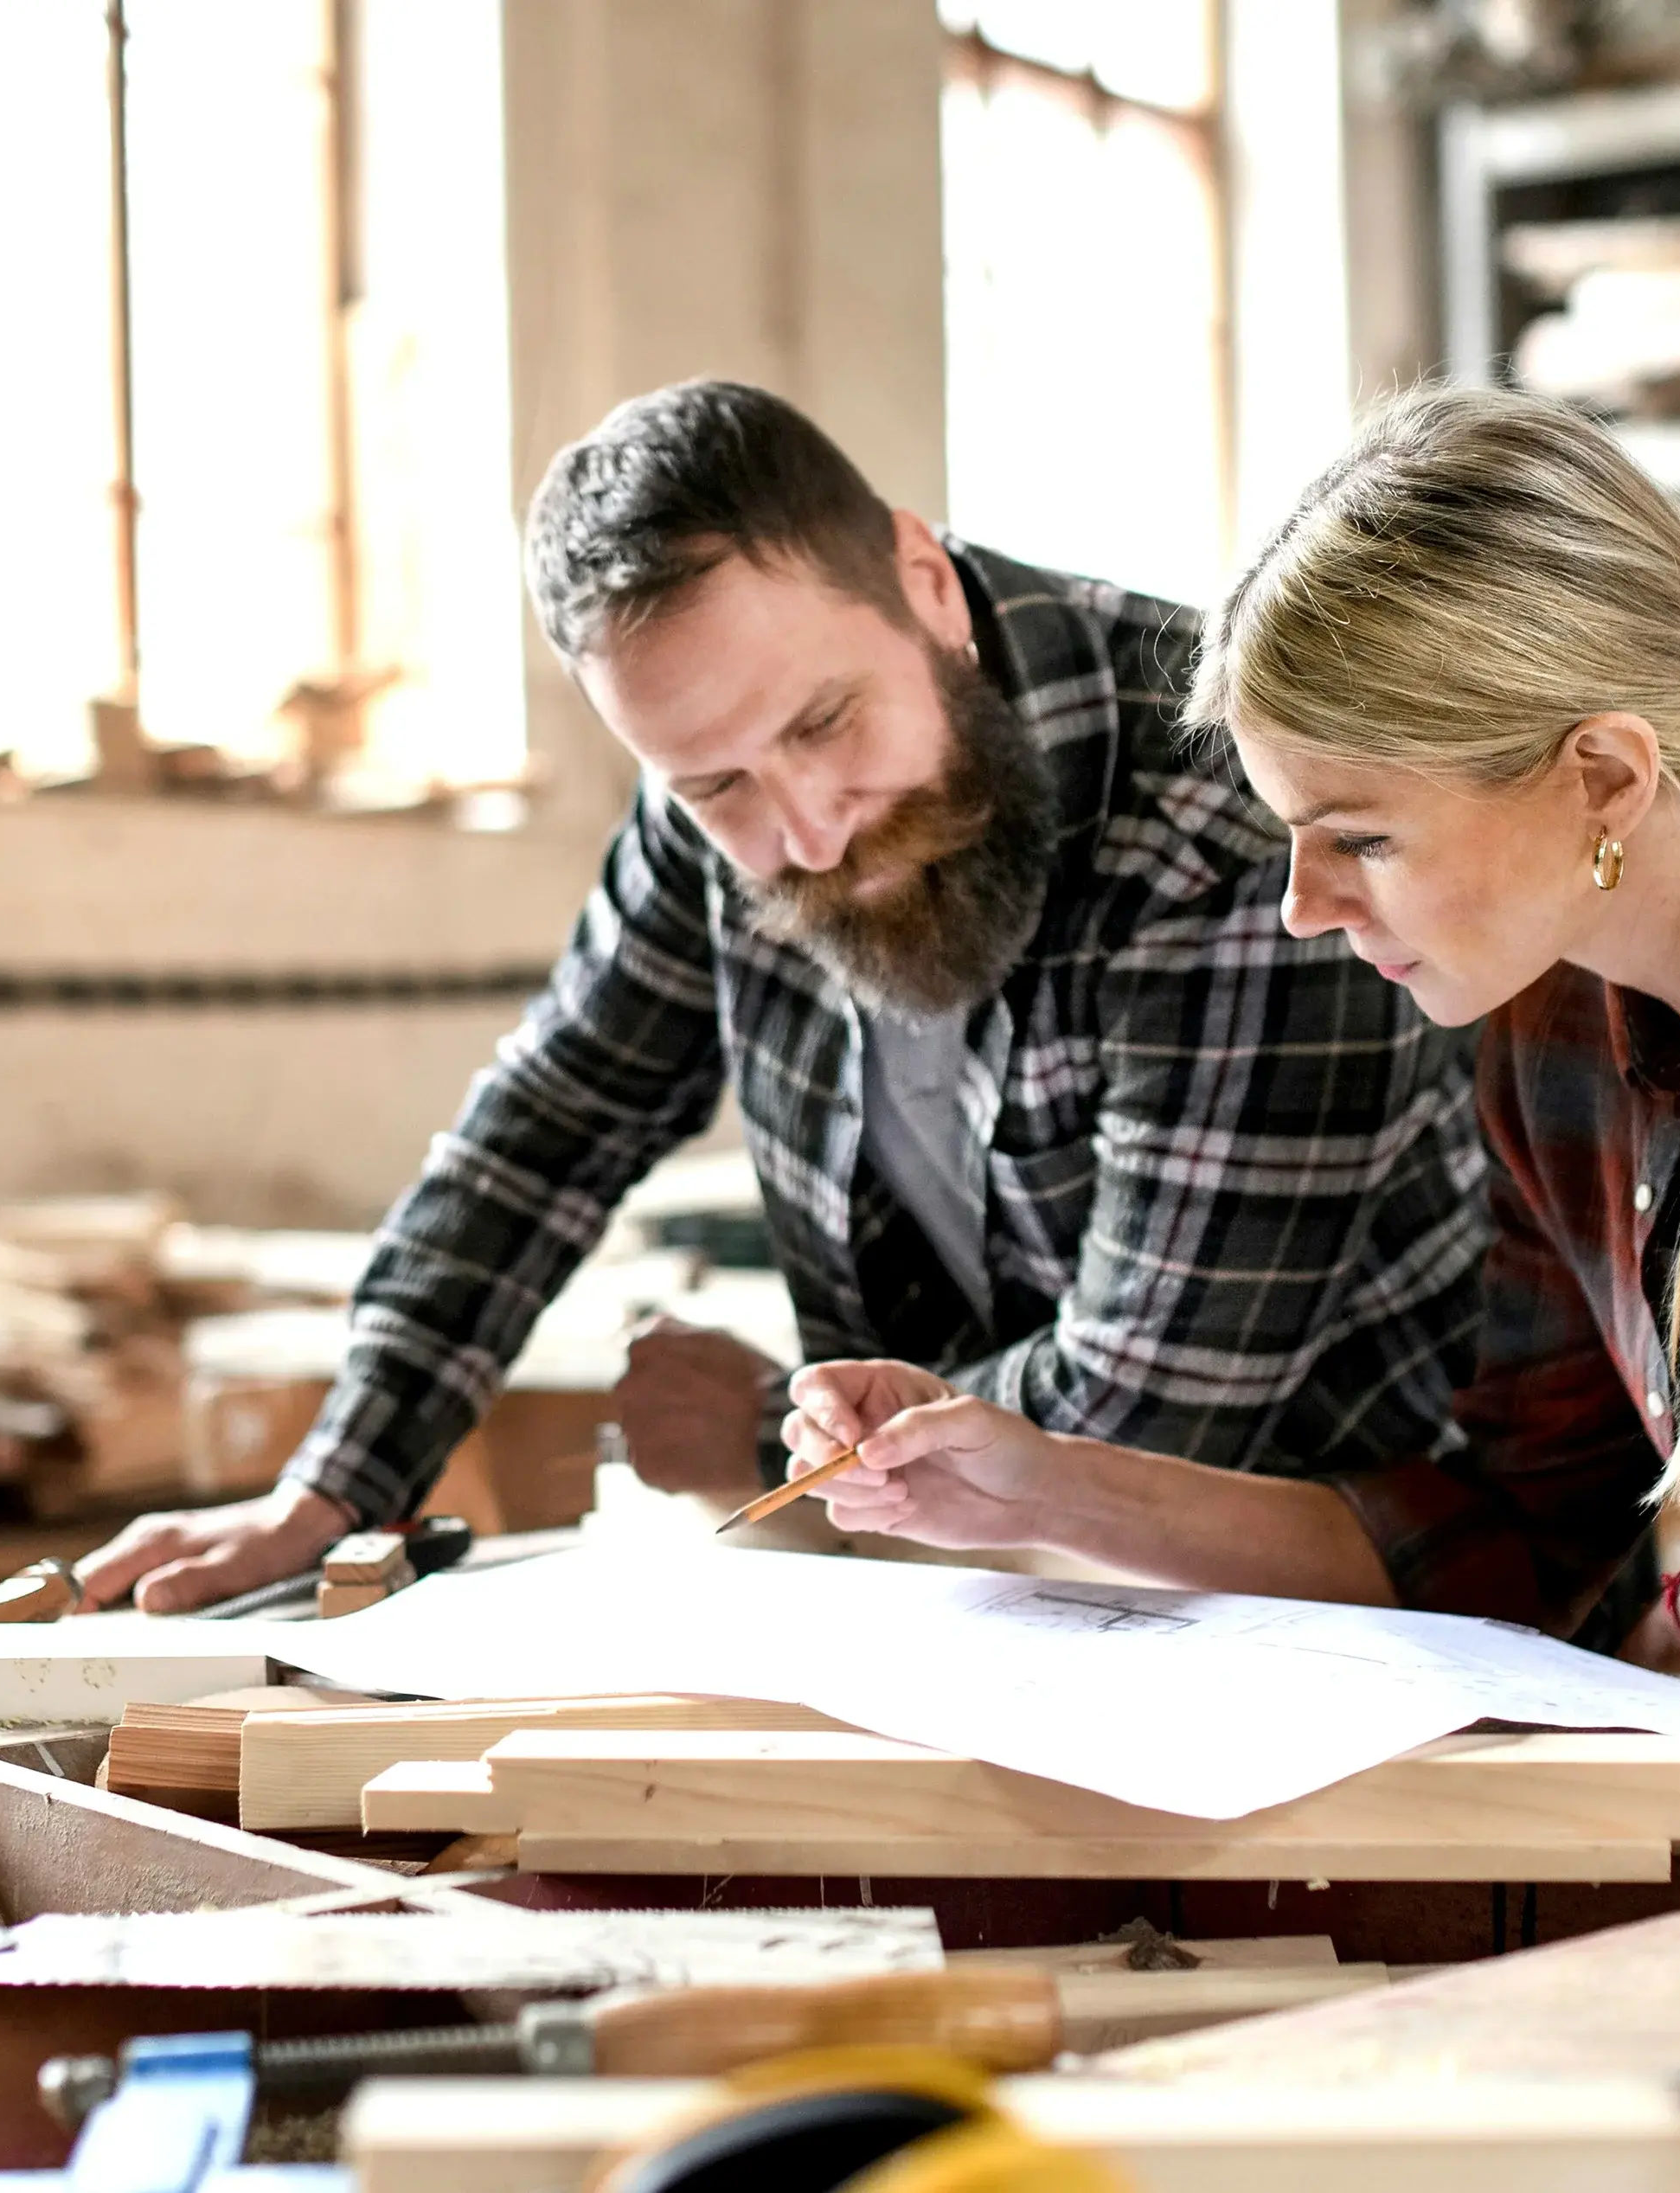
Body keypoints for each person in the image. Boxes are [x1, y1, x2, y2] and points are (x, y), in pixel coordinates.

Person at [783, 383, 1680, 1766]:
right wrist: (1034, 1489)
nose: (1302, 905)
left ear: (1601, 773)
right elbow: (1521, 1544)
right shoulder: (1551, 1028)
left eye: (1357, 837)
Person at [77, 379, 1485, 1612]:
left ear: (924, 584)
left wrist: (763, 1440)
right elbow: (545, 1131)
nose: (807, 830)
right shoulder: (713, 813)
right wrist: (335, 1484)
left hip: (1356, 1597)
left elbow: (1144, 1428)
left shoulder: (1226, 817)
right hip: (968, 1580)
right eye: (718, 784)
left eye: (825, 723)